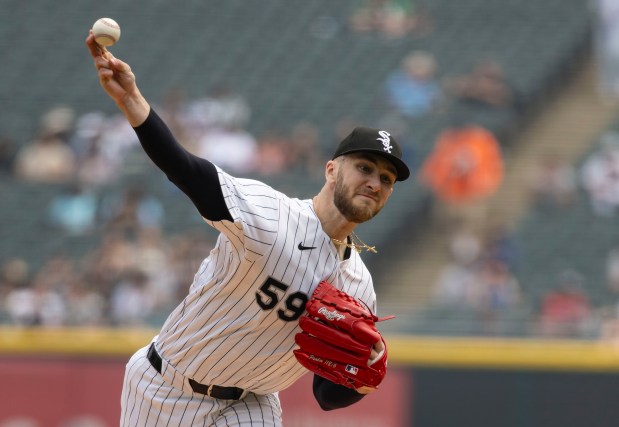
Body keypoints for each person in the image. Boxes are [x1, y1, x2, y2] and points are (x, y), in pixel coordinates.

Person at [86, 30, 411, 426]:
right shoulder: (269, 215)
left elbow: (326, 395)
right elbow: (185, 170)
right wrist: (132, 101)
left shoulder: (358, 287)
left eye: (387, 179)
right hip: (165, 388)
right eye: (364, 168)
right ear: (331, 170)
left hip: (251, 404)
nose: (375, 183)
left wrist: (367, 373)